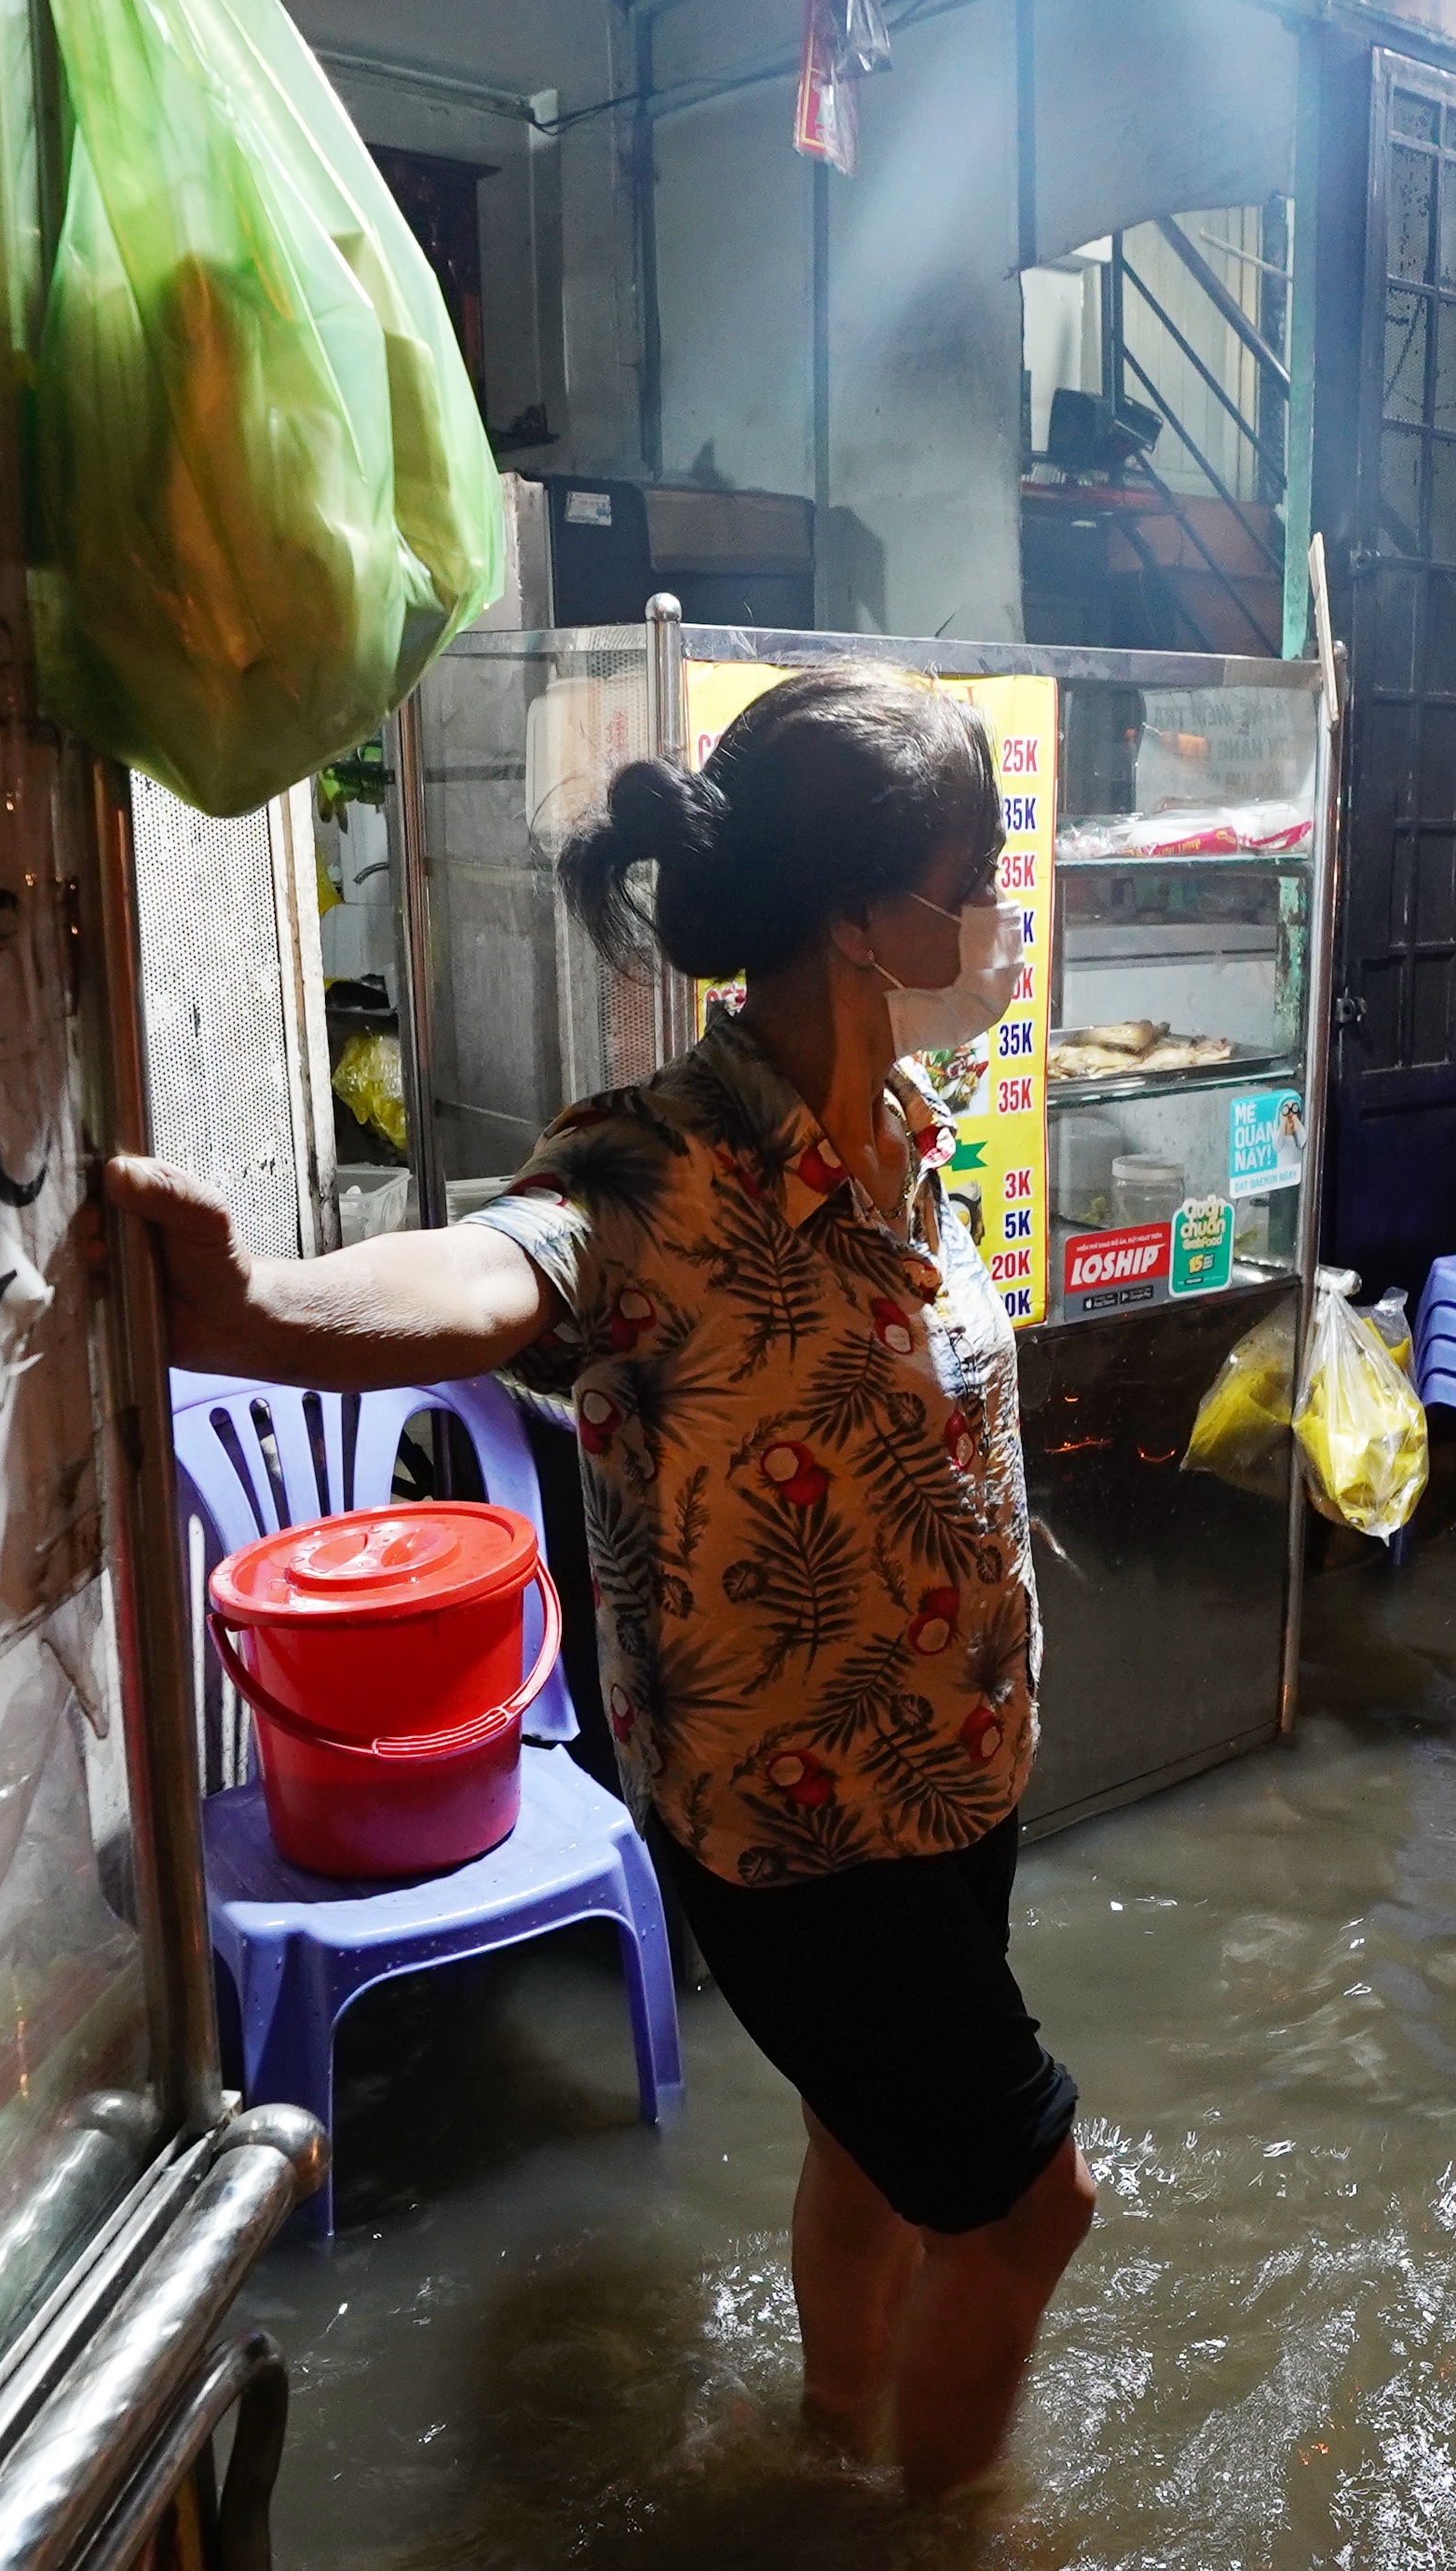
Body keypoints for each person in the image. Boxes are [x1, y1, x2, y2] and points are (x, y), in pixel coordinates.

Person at [105, 663, 1088, 2502]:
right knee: (1033, 2208)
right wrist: (259, 1307)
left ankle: (834, 2442)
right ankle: (934, 2538)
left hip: (952, 1778)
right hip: (802, 1825)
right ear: (867, 922)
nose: (999, 920)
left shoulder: (902, 1130)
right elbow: (492, 1273)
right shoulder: (660, 1166)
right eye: (978, 881)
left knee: (872, 2144)